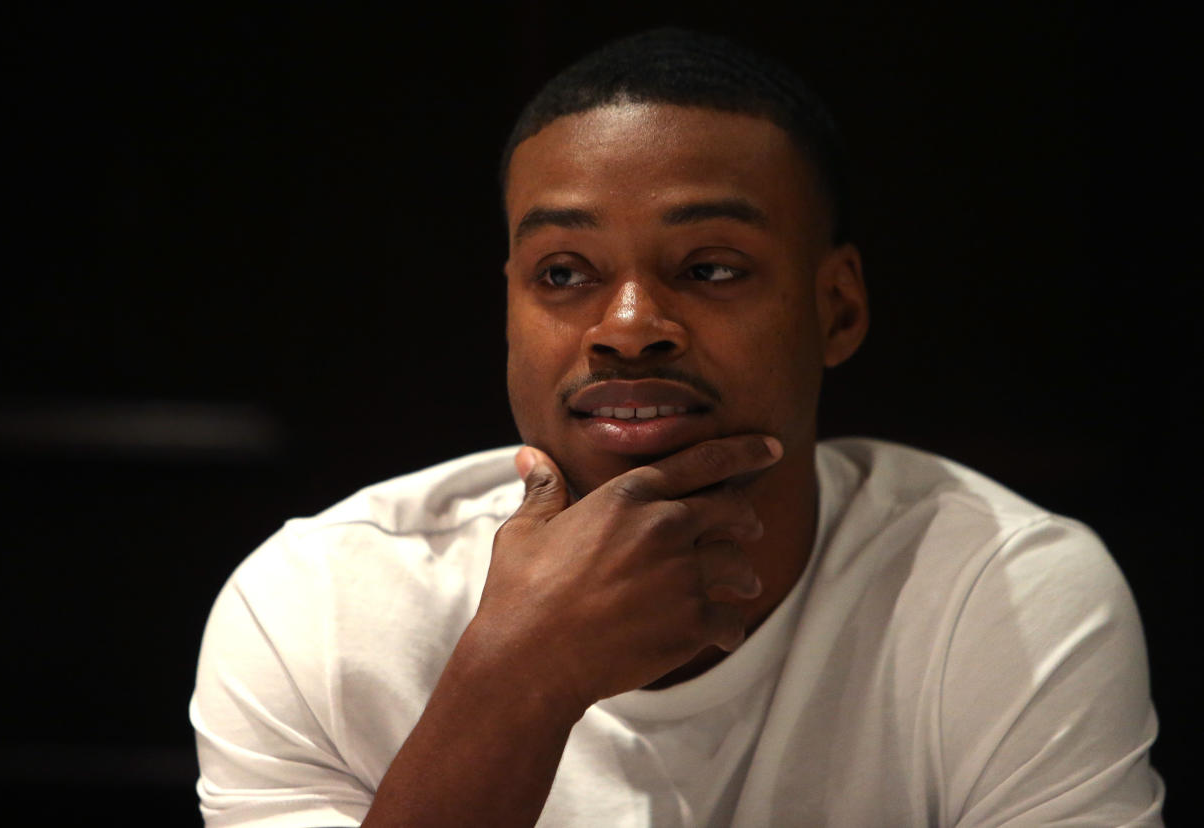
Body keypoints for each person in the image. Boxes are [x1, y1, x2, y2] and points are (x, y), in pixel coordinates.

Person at [190, 29, 1164, 827]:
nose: (625, 331)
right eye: (564, 274)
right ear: (508, 310)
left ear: (837, 310)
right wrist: (521, 676)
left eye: (710, 268)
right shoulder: (313, 609)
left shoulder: (1000, 594)